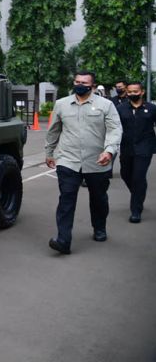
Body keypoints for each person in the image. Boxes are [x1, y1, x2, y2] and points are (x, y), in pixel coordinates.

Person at [44, 71, 122, 254]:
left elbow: (114, 130)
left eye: (84, 83)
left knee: (99, 199)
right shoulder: (62, 104)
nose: (80, 85)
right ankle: (63, 240)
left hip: (97, 162)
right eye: (77, 81)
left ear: (93, 86)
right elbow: (54, 130)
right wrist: (49, 152)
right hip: (68, 160)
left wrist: (109, 151)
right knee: (66, 200)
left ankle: (99, 228)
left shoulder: (106, 105)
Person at [116, 81, 156, 223]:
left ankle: (136, 211)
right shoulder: (120, 109)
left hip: (145, 148)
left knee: (138, 177)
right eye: (130, 92)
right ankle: (138, 194)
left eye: (135, 91)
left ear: (142, 92)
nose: (132, 94)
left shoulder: (151, 108)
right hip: (126, 147)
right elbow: (114, 127)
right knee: (125, 174)